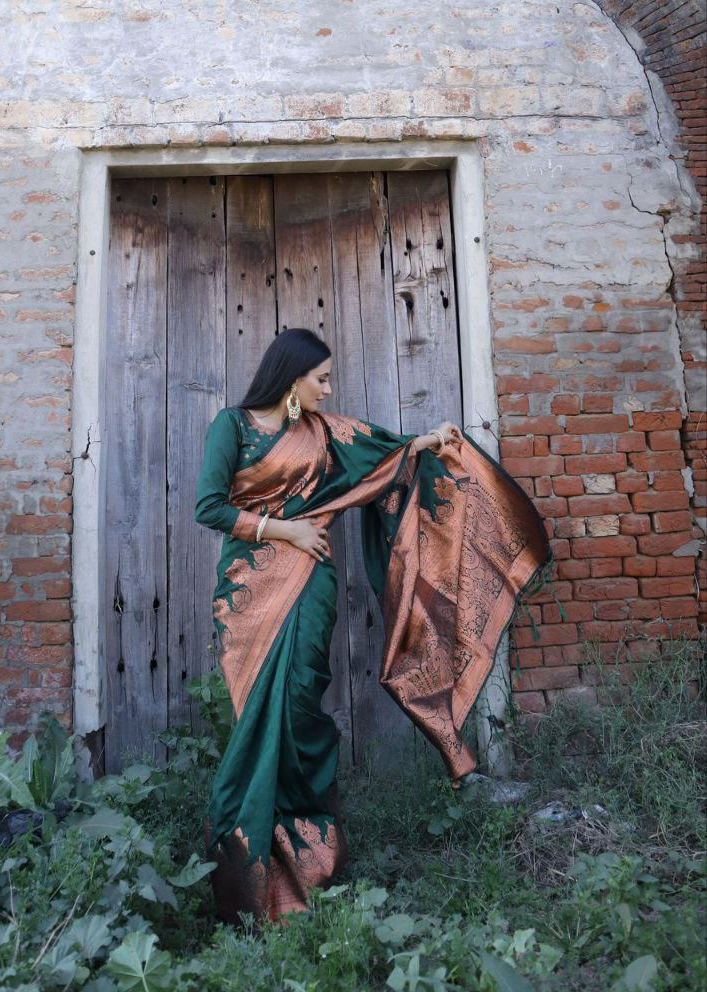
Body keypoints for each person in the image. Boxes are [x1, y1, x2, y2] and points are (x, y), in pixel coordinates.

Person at [194, 328, 552, 926]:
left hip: (310, 588)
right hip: (249, 593)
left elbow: (386, 455)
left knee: (301, 707)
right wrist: (287, 530)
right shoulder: (231, 427)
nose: (329, 388)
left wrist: (428, 444)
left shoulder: (325, 434)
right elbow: (209, 507)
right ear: (291, 380)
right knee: (259, 719)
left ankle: (307, 862)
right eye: (322, 378)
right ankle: (246, 875)